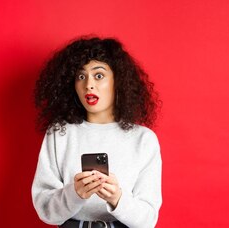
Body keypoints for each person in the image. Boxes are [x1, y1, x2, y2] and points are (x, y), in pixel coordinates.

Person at [31, 36, 162, 228]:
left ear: (118, 81)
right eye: (81, 76)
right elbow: (46, 211)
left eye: (98, 75)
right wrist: (74, 194)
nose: (88, 85)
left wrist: (118, 198)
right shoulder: (59, 134)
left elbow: (148, 220)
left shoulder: (144, 140)